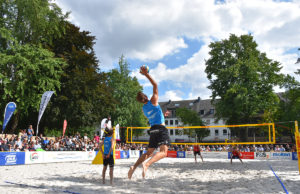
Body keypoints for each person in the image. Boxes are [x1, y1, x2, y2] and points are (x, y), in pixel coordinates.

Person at [128, 65, 170, 179]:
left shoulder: (144, 109)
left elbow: (155, 117)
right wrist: (146, 74)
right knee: (164, 152)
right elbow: (155, 85)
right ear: (145, 96)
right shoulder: (153, 100)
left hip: (153, 130)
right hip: (160, 129)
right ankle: (146, 164)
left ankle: (134, 167)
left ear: (140, 101)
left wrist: (163, 115)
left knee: (149, 152)